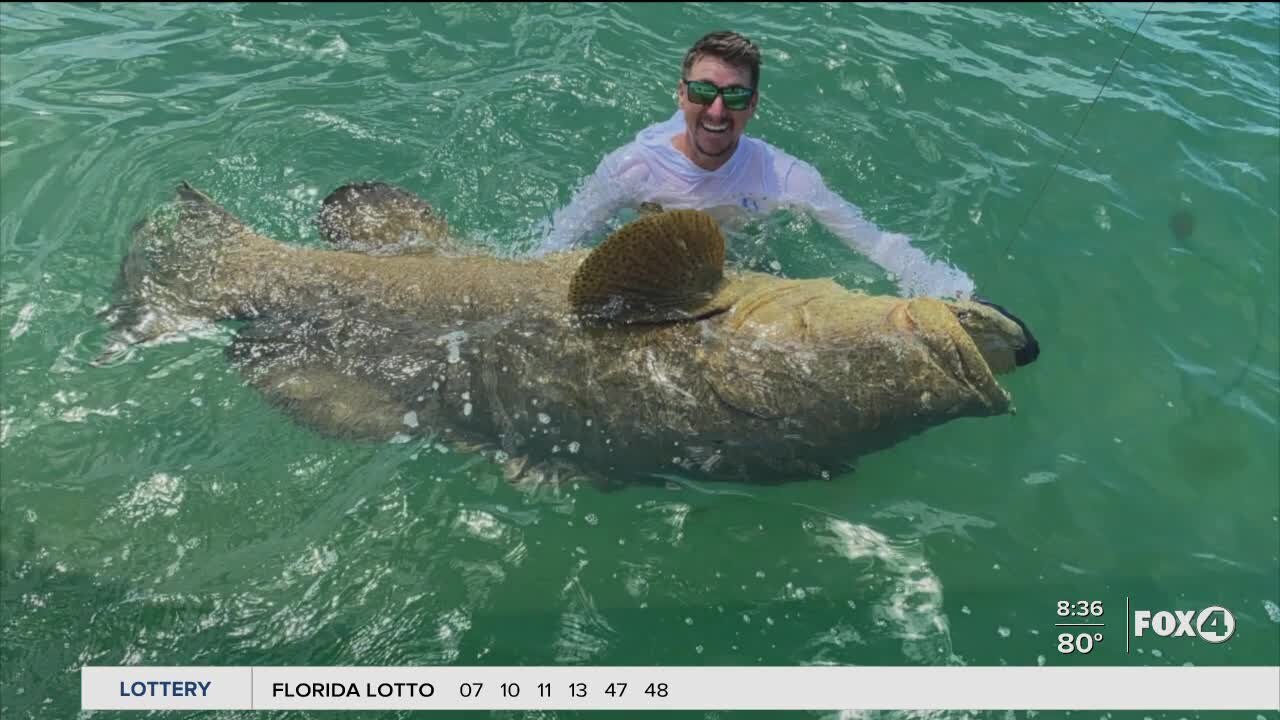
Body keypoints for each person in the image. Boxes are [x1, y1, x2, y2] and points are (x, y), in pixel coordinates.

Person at [530, 30, 977, 301]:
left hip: (741, 266)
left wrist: (950, 290)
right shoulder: (633, 168)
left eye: (736, 97)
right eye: (704, 93)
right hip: (648, 268)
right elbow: (561, 241)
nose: (718, 112)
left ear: (754, 105)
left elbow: (874, 243)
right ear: (681, 95)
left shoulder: (782, 177)